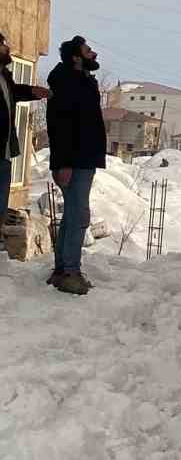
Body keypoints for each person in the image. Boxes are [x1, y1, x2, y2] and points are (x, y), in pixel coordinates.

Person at [46, 35, 107, 294]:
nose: (94, 53)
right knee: (79, 216)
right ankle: (70, 272)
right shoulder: (68, 83)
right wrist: (65, 163)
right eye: (88, 50)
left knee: (72, 215)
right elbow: (60, 126)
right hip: (75, 161)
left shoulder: (79, 80)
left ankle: (62, 270)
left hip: (82, 158)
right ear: (76, 57)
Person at [0, 30, 49, 221]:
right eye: (3, 44)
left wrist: (33, 92)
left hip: (4, 153)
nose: (7, 48)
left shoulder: (4, 76)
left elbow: (14, 93)